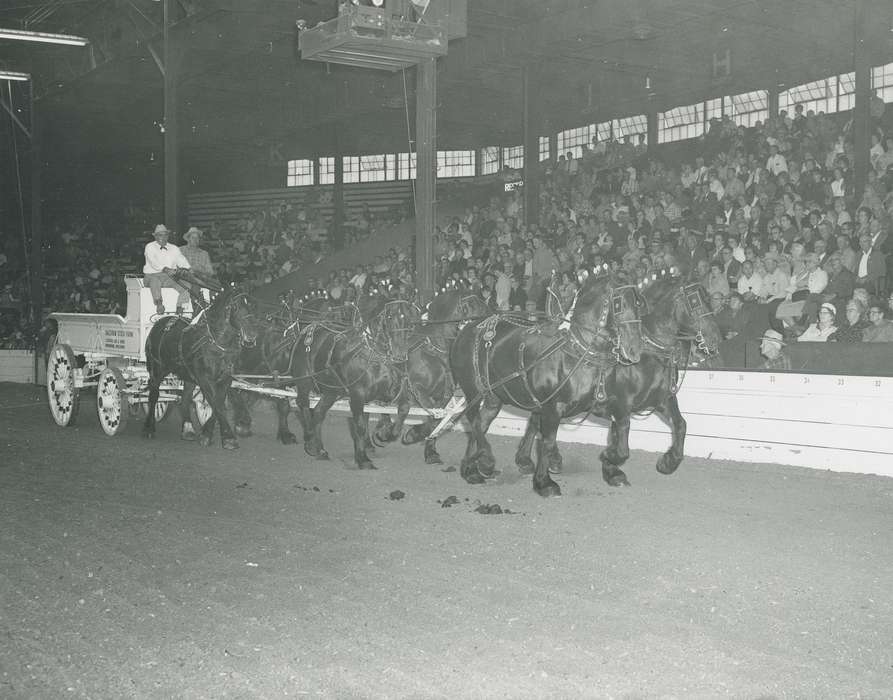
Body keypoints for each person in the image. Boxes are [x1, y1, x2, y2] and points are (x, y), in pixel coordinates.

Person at [143, 224, 191, 315]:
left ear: (168, 236)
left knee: (186, 285)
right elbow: (153, 263)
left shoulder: (174, 248)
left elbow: (181, 260)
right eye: (160, 235)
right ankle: (159, 304)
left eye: (165, 235)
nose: (163, 237)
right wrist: (165, 269)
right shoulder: (149, 246)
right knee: (155, 281)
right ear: (155, 236)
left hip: (169, 277)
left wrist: (188, 269)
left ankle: (180, 307)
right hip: (152, 275)